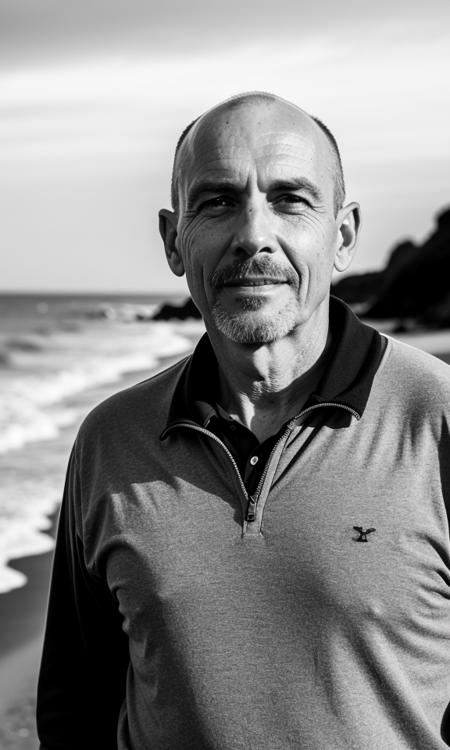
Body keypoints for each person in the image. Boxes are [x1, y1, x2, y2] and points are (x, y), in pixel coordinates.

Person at [37, 92, 450, 749]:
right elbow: (74, 708)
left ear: (341, 236)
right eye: (219, 200)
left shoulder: (436, 419)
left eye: (289, 199)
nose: (254, 234)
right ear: (175, 240)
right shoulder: (109, 442)